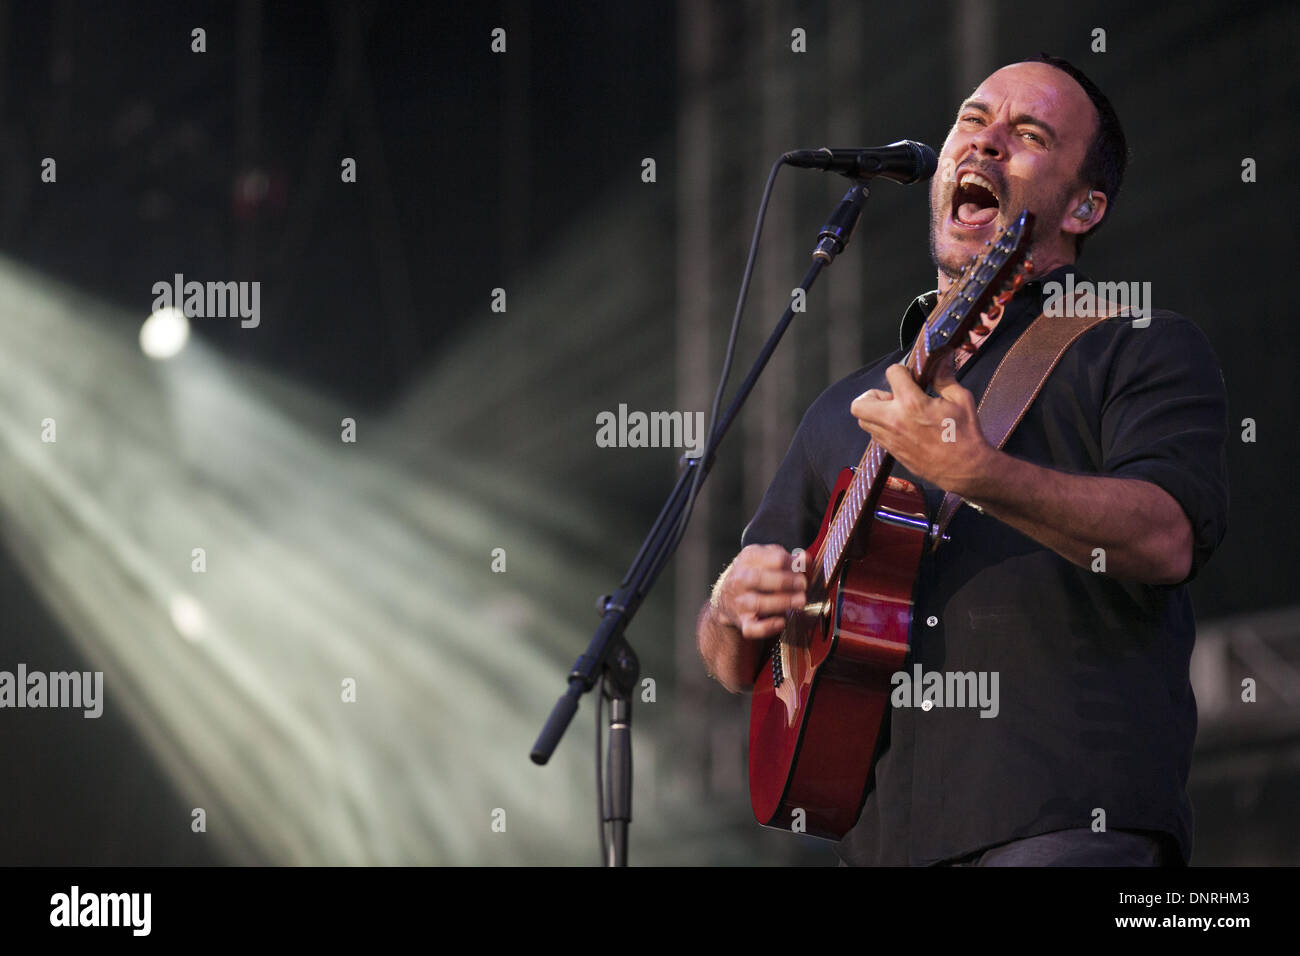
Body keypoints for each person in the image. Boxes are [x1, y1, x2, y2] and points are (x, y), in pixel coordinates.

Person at [695, 53, 1229, 866]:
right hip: (879, 843)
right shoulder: (853, 406)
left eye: (1027, 134)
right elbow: (734, 663)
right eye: (972, 122)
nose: (983, 145)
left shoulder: (1138, 345)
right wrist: (734, 605)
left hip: (1062, 828)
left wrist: (982, 474)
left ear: (1085, 206)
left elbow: (1166, 539)